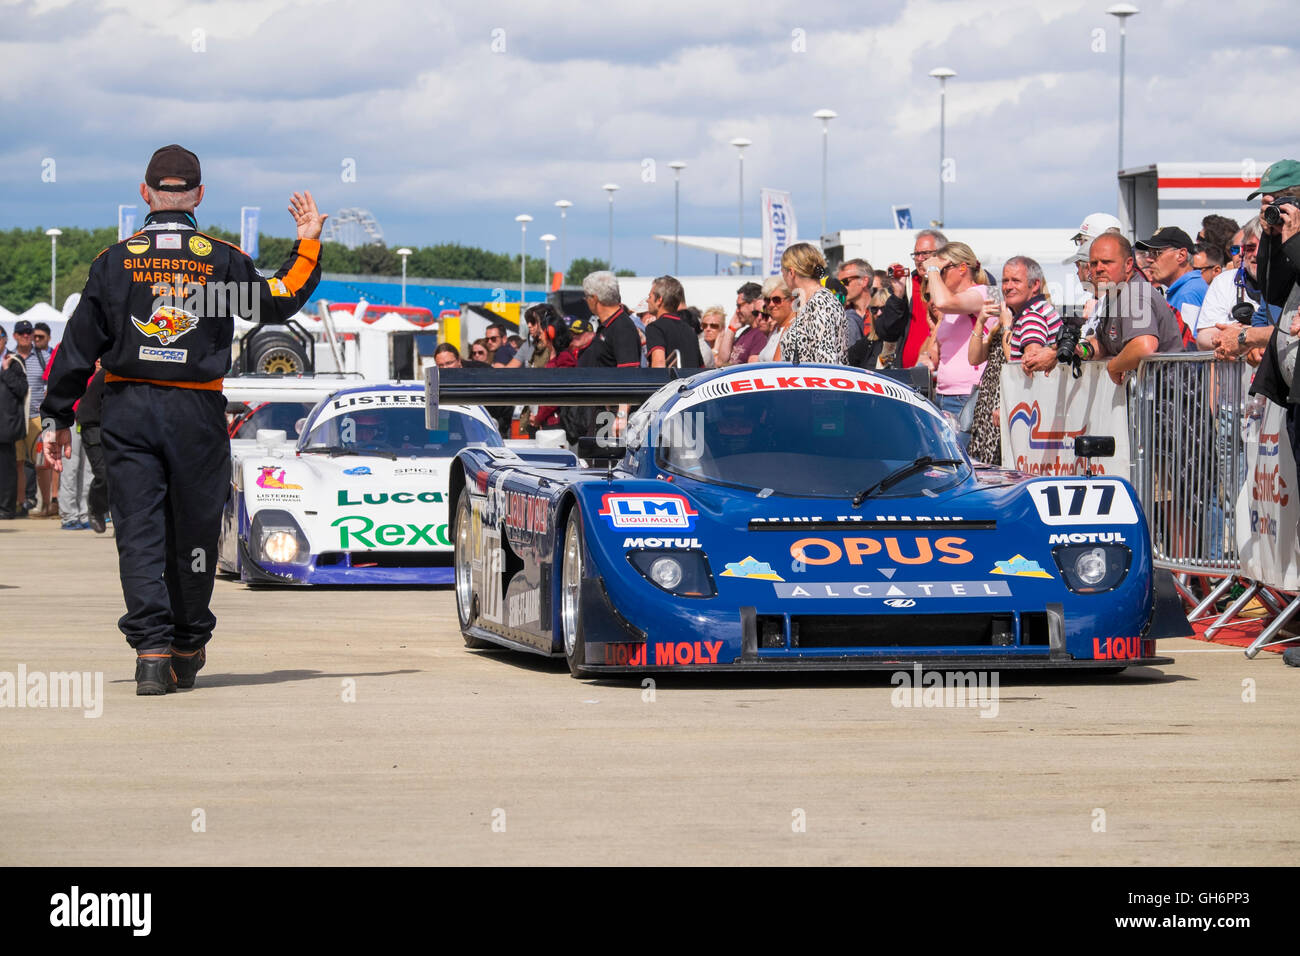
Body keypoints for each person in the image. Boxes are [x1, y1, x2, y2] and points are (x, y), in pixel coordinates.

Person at [40, 144, 325, 695]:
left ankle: (151, 652)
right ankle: (188, 643)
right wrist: (307, 241)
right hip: (194, 410)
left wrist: (56, 418)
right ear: (198, 195)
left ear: (145, 193)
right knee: (194, 534)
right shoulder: (218, 260)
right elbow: (282, 298)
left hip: (128, 408)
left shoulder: (114, 261)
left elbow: (76, 347)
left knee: (140, 535)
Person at [967, 257, 1060, 465]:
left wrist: (1007, 327)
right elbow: (974, 358)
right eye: (1005, 281)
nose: (1008, 287)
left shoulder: (1031, 316)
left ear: (1035, 285)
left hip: (1015, 412)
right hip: (995, 407)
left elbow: (1026, 363)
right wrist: (981, 321)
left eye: (1015, 281)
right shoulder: (1016, 315)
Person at [1083, 233, 1186, 383]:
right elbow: (1103, 343)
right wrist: (1082, 350)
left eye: (1107, 262)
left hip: (1170, 397)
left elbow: (1144, 346)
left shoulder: (1135, 294)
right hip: (1152, 396)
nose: (1099, 269)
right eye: (1093, 263)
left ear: (1128, 264)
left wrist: (1113, 366)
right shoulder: (1114, 294)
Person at [918, 241, 992, 447]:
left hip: (967, 395)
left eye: (943, 270)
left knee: (964, 459)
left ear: (962, 268)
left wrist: (931, 267)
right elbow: (939, 350)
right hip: (944, 395)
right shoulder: (952, 306)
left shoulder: (985, 293)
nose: (938, 277)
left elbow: (942, 302)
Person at [10, 318, 54, 516]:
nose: (27, 336)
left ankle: (47, 504)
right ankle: (21, 504)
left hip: (37, 416)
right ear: (15, 336)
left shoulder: (44, 356)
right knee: (18, 462)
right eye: (22, 333)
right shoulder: (9, 359)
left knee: (42, 461)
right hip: (16, 416)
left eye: (29, 333)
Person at [777, 242, 845, 364]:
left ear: (791, 273)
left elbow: (826, 361)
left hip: (815, 382)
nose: (784, 280)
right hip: (804, 381)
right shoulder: (811, 303)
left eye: (783, 273)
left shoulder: (820, 303)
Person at [1205, 218, 1266, 355]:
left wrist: (1244, 336)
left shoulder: (1291, 282)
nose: (1255, 254)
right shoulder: (1224, 281)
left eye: (1262, 246)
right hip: (1233, 374)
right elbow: (1203, 336)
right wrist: (1230, 335)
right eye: (1250, 247)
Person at [1135, 226, 1208, 332]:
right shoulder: (1187, 288)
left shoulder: (1188, 293)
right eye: (1149, 253)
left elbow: (1188, 345)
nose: (1149, 259)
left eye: (1156, 253)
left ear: (1181, 255)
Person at [644, 275, 701, 369]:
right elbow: (701, 369)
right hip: (690, 382)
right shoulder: (690, 331)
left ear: (659, 300)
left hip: (671, 383)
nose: (647, 300)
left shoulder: (655, 328)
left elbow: (659, 366)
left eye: (650, 296)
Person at [0, 348, 27, 518]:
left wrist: (6, 371)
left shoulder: (14, 361)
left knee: (6, 469)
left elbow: (21, 388)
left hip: (5, 425)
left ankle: (6, 508)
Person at [715, 282, 765, 365]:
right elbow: (721, 362)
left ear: (753, 304)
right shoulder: (746, 333)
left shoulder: (761, 333)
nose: (737, 311)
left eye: (739, 306)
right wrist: (731, 328)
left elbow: (753, 367)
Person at [836, 258, 874, 349]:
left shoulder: (881, 311)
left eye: (845, 282)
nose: (841, 287)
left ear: (864, 281)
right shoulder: (841, 314)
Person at [755, 276, 794, 363]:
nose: (771, 304)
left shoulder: (794, 328)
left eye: (776, 300)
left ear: (791, 300)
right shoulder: (775, 329)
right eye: (767, 300)